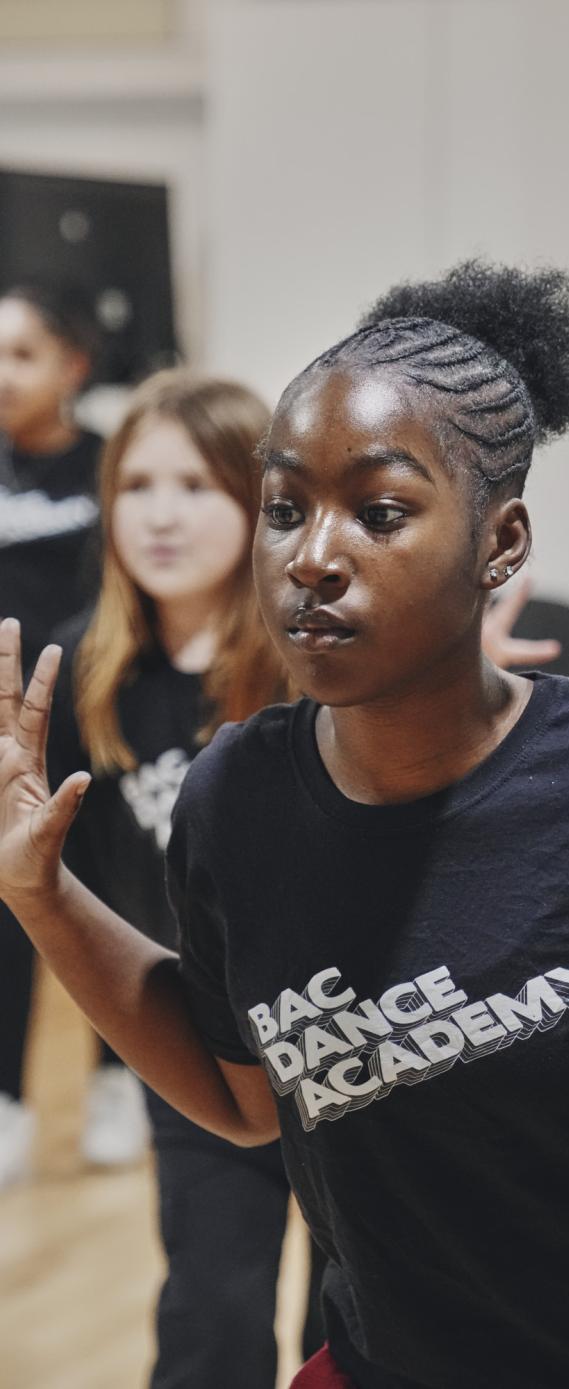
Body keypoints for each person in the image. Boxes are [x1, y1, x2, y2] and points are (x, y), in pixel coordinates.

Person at [2, 260, 569, 1389]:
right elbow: (244, 1098)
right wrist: (42, 894)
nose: (312, 556)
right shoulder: (236, 801)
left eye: (379, 512)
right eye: (284, 509)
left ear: (502, 541)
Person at [37, 367, 328, 1387]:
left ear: (264, 505)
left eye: (197, 487)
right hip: (196, 1043)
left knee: (356, 1317)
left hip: (351, 1034)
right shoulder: (79, 670)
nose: (161, 516)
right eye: (136, 485)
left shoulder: (321, 655)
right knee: (213, 1307)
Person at [0, 280, 149, 1183]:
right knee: (8, 912)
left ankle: (113, 1083)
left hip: (100, 722)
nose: (1, 374)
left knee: (108, 898)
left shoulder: (111, 468)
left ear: (73, 367)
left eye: (21, 354)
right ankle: (7, 1101)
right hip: (3, 740)